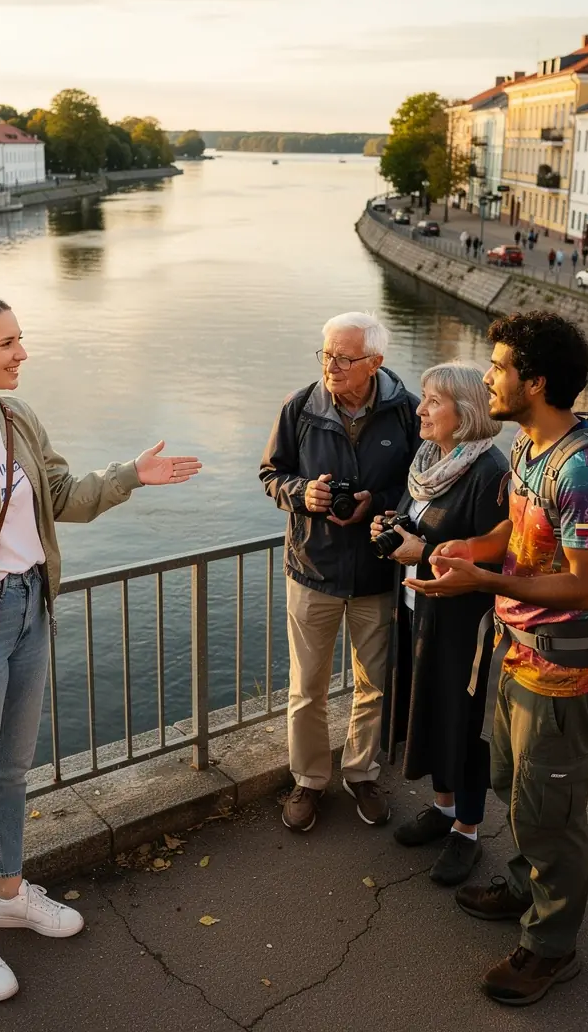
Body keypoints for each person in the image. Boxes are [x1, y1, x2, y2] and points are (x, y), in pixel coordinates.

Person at [0, 292, 202, 1003]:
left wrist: (128, 478)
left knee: (13, 771)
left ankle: (8, 894)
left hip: (29, 608)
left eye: (20, 339)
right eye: (7, 343)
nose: (22, 353)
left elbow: (60, 495)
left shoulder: (14, 416)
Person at [409, 311, 588, 1007]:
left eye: (499, 366)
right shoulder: (529, 448)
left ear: (534, 382)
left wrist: (488, 582)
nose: (487, 377)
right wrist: (470, 550)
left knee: (551, 811)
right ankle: (522, 885)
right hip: (516, 653)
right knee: (514, 783)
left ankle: (551, 946)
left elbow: (587, 584)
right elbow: (517, 525)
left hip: (562, 672)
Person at [260, 312, 419, 833]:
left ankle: (362, 772)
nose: (331, 365)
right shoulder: (300, 407)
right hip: (312, 570)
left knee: (374, 683)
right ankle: (307, 780)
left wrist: (381, 502)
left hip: (376, 574)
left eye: (344, 358)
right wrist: (301, 494)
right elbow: (270, 474)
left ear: (374, 362)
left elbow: (423, 487)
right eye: (325, 353)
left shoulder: (407, 413)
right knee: (307, 688)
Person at [373, 364, 507, 886]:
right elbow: (422, 518)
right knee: (429, 710)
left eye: (432, 402)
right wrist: (395, 526)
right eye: (423, 399)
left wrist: (421, 551)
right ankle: (444, 807)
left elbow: (494, 562)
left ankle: (468, 831)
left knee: (465, 724)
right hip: (419, 612)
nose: (420, 409)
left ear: (465, 412)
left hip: (464, 624)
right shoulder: (431, 458)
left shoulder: (489, 472)